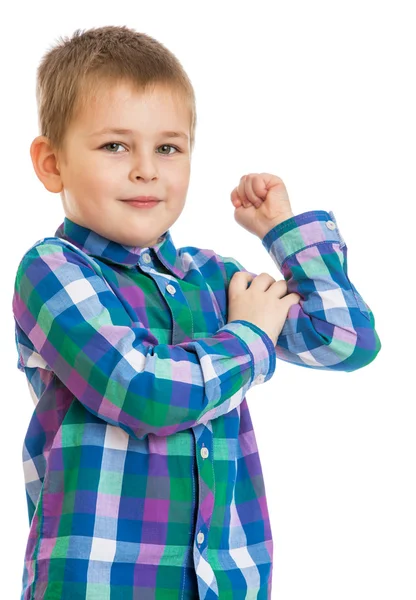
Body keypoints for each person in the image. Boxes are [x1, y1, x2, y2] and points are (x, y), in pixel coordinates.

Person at [11, 24, 381, 600]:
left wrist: (283, 234)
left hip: (227, 582)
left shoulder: (212, 276)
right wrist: (251, 335)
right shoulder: (54, 270)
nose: (146, 170)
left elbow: (345, 340)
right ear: (52, 163)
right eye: (115, 145)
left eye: (168, 147)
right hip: (99, 582)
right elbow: (142, 391)